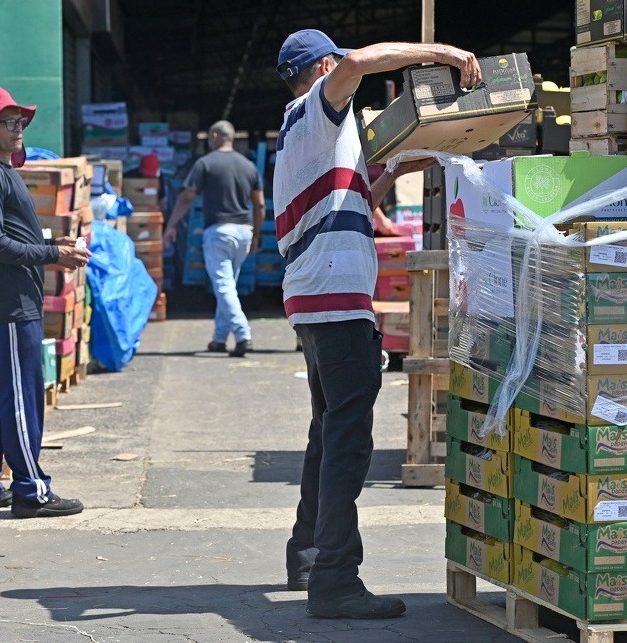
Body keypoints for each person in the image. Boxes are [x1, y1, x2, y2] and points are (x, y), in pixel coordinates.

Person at [273, 30, 481, 619]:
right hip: (336, 304)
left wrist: (423, 156)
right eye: (337, 65)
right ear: (322, 68)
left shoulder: (306, 139)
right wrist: (443, 53)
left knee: (328, 431)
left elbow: (357, 196)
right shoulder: (316, 108)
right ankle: (336, 579)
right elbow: (362, 62)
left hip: (316, 303)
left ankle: (308, 553)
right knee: (347, 443)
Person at [0, 87, 92, 518]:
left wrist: (55, 244)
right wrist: (53, 254)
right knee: (19, 400)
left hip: (9, 304)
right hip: (11, 307)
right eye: (9, 122)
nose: (19, 130)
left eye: (21, 122)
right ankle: (31, 490)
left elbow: (11, 237)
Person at [163, 120, 265, 357]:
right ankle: (219, 338)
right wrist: (257, 234)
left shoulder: (205, 164)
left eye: (209, 137)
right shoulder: (248, 166)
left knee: (223, 286)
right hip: (244, 232)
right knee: (227, 286)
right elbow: (259, 203)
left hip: (219, 232)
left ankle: (243, 334)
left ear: (217, 136)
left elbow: (187, 197)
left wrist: (171, 224)